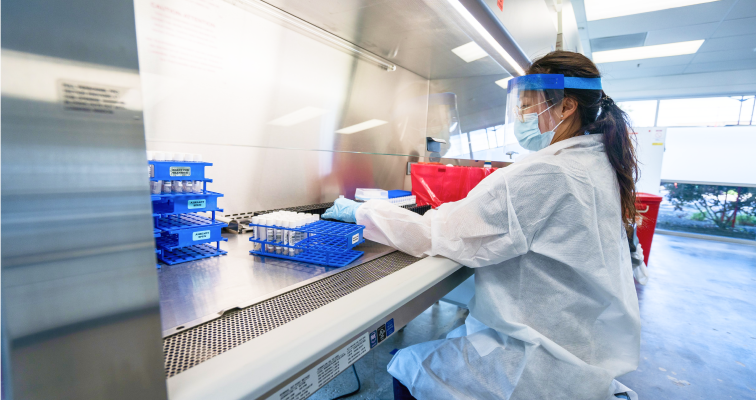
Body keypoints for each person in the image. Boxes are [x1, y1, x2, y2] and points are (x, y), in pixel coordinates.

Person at [323, 51, 641, 400]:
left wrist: (359, 212)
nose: (522, 116)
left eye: (528, 105)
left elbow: (435, 233)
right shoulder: (597, 163)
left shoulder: (548, 172)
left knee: (406, 365)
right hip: (580, 351)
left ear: (565, 108)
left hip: (536, 364)